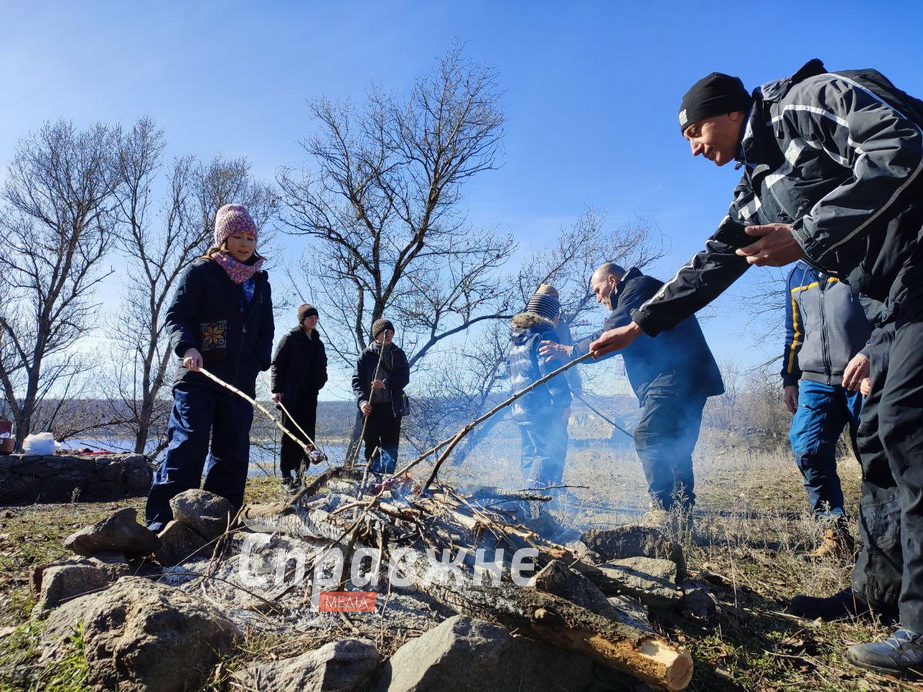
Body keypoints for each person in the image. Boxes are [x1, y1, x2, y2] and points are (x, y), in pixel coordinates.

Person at [590, 60, 923, 676]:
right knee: (875, 439)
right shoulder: (757, 179)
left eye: (693, 133)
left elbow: (903, 147)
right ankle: (878, 597)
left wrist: (807, 233)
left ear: (724, 113)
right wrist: (641, 324)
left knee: (908, 430)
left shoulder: (810, 102)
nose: (693, 150)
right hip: (890, 300)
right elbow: (717, 257)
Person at [541, 263, 724, 517]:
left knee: (649, 437)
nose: (597, 298)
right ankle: (681, 511)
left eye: (597, 290)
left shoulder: (638, 288)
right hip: (688, 380)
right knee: (676, 444)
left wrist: (570, 351)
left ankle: (662, 509)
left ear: (612, 280)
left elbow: (610, 335)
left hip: (673, 378)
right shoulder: (641, 288)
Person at [146, 204, 274, 532]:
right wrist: (187, 346)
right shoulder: (200, 272)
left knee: (232, 450)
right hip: (198, 375)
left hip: (240, 379)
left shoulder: (260, 282)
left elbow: (266, 327)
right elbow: (177, 316)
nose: (245, 243)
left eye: (250, 237)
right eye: (237, 236)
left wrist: (260, 358)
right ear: (222, 238)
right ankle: (163, 522)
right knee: (189, 443)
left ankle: (219, 522)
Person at [781, 261, 871, 558]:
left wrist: (874, 355)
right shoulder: (797, 274)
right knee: (807, 449)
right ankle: (835, 534)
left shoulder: (858, 256)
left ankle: (884, 541)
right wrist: (790, 379)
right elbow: (794, 332)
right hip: (815, 381)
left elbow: (886, 315)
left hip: (863, 376)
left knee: (875, 456)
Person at [509, 289, 572, 491]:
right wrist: (564, 402)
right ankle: (535, 500)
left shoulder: (518, 337)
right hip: (541, 408)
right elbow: (551, 372)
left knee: (529, 452)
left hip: (520, 407)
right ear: (551, 315)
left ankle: (525, 497)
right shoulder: (544, 333)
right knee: (546, 452)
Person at [270, 303, 328, 491]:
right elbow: (277, 364)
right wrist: (276, 389)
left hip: (310, 394)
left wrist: (321, 381)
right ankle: (286, 476)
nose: (314, 320)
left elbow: (323, 366)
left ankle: (301, 473)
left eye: (315, 318)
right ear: (302, 320)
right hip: (291, 394)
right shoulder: (290, 339)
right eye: (310, 317)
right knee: (290, 435)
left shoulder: (318, 343)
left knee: (307, 434)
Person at [352, 318, 409, 474]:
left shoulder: (398, 354)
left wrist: (386, 383)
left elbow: (404, 378)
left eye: (391, 332)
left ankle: (388, 479)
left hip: (391, 408)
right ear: (376, 335)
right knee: (371, 445)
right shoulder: (365, 355)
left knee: (391, 445)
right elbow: (356, 382)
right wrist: (362, 402)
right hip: (371, 409)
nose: (389, 335)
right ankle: (373, 477)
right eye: (385, 332)